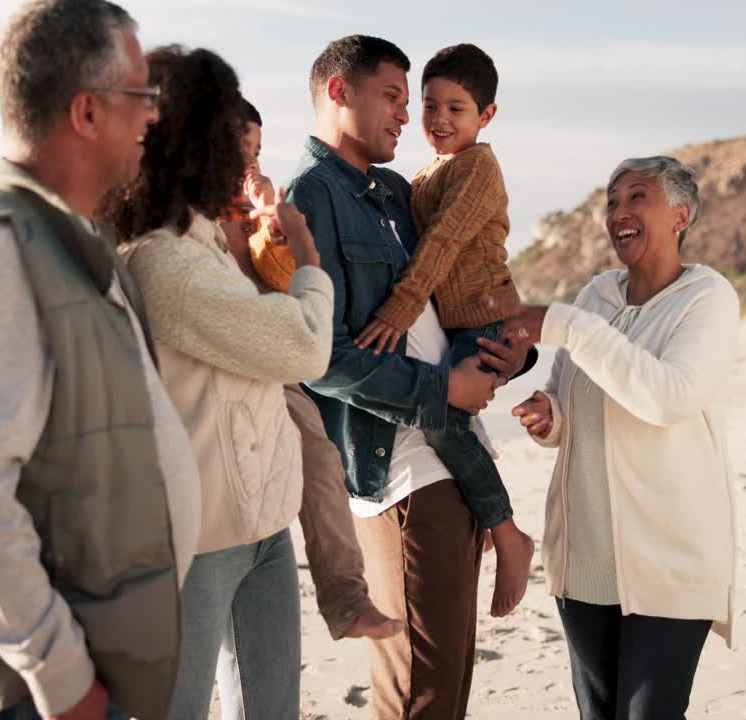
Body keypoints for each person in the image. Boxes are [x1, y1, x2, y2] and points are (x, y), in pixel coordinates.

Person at [0, 3, 198, 720]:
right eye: (141, 94)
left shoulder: (73, 244)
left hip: (97, 674)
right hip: (46, 698)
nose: (153, 115)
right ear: (87, 112)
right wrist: (64, 682)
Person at [253, 35, 533, 719]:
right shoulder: (311, 198)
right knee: (418, 696)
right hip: (402, 475)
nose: (410, 117)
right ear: (339, 92)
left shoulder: (395, 193)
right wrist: (443, 390)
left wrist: (511, 351)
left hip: (453, 458)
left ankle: (506, 530)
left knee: (446, 686)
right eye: (394, 97)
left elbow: (458, 285)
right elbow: (322, 359)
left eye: (416, 103)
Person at [98, 45, 331, 720]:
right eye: (236, 148)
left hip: (261, 528)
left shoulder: (205, 248)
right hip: (196, 544)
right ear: (197, 148)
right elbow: (304, 346)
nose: (250, 165)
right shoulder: (163, 261)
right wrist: (309, 258)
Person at [505, 156, 740, 720]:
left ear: (681, 215)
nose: (619, 213)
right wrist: (550, 419)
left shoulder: (707, 300)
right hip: (585, 559)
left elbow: (668, 397)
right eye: (612, 201)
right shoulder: (596, 297)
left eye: (638, 198)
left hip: (670, 560)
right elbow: (569, 401)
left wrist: (564, 325)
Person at [348, 42, 535, 618]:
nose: (439, 120)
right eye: (430, 106)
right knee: (445, 413)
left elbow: (443, 242)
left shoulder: (478, 168)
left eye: (457, 108)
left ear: (487, 116)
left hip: (486, 319)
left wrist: (397, 313)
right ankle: (484, 516)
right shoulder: (427, 173)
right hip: (461, 324)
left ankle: (507, 532)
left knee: (441, 416)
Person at [220, 99, 403, 642]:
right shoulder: (185, 215)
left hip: (269, 360)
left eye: (255, 151)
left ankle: (346, 598)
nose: (248, 163)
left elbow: (281, 280)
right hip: (221, 358)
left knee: (321, 457)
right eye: (236, 150)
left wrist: (273, 224)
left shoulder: (253, 214)